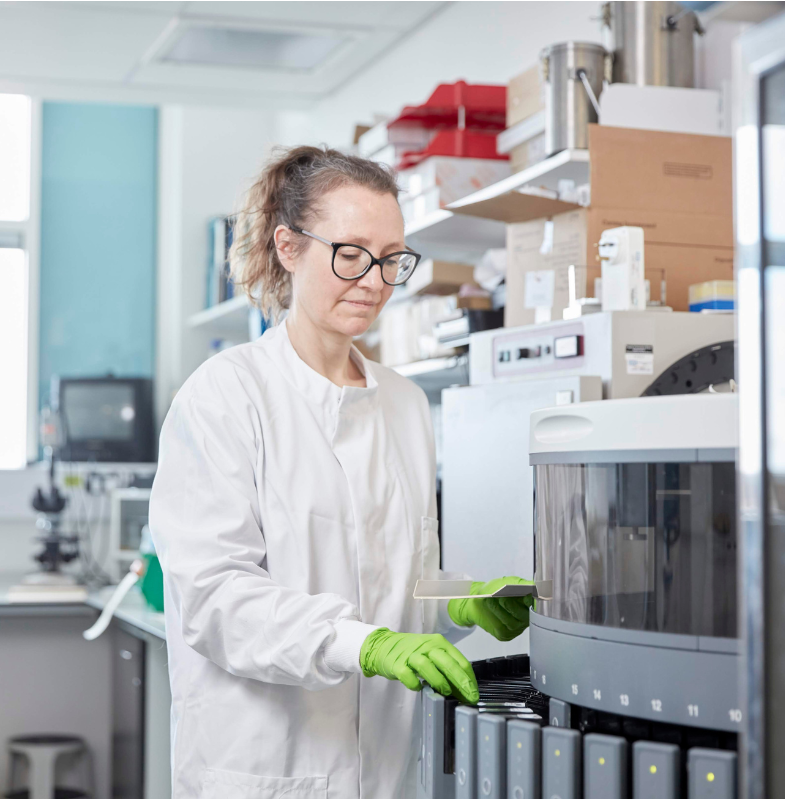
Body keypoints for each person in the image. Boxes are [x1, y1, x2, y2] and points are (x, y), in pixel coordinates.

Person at [149, 145, 532, 799]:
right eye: (351, 254)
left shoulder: (405, 405)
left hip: (384, 769)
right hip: (264, 769)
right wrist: (366, 644)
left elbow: (390, 584)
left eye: (391, 260)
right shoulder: (225, 396)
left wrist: (457, 601)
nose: (375, 280)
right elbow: (216, 602)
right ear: (289, 247)